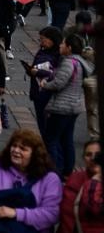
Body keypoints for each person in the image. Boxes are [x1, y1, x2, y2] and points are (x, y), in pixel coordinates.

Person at [41, 32, 88, 177]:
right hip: (74, 106)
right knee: (67, 138)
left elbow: (59, 83)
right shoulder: (79, 61)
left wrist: (45, 84)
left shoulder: (68, 62)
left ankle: (55, 171)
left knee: (51, 139)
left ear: (69, 47)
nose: (60, 46)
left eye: (63, 44)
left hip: (62, 107)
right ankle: (68, 170)